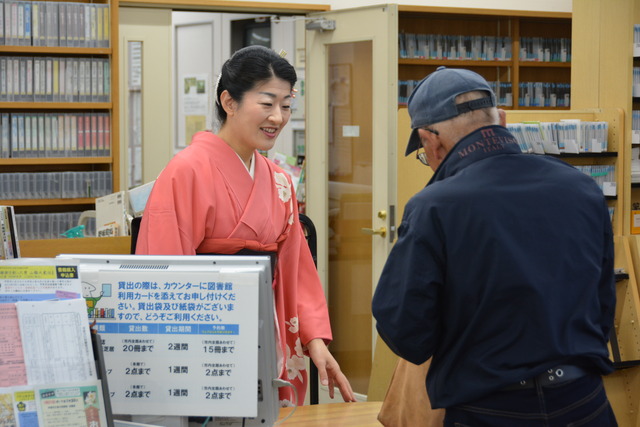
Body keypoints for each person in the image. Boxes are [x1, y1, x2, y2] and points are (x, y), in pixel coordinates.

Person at [372, 66, 617, 426]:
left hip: (490, 409)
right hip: (585, 403)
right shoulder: (581, 187)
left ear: (430, 139)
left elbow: (405, 332)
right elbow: (603, 302)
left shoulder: (435, 206)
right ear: (500, 118)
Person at [136, 45, 355, 406]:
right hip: (207, 336)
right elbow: (165, 270)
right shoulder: (186, 171)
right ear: (229, 101)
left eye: (286, 105)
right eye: (267, 103)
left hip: (269, 327)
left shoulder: (279, 180)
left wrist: (316, 341)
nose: (279, 117)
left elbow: (296, 268)